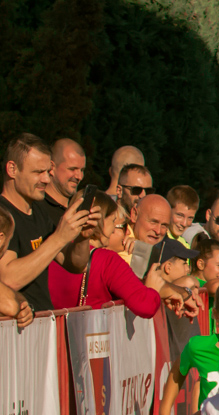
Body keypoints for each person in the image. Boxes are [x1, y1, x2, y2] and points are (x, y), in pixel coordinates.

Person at [48, 196, 190, 317]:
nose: (127, 233)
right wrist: (153, 290)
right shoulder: (108, 260)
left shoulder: (56, 251)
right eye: (121, 226)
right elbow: (145, 306)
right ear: (100, 223)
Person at [2, 134, 90, 312]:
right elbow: (8, 279)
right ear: (12, 169)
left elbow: (76, 265)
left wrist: (82, 236)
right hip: (16, 325)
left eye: (47, 172)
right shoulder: (3, 216)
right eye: (38, 172)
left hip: (42, 322)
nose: (46, 180)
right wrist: (58, 238)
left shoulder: (38, 210)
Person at [124, 194, 174, 279]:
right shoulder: (119, 244)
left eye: (164, 225)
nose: (158, 231)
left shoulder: (162, 252)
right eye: (153, 222)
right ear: (134, 215)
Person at [45, 138, 87, 219]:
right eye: (72, 169)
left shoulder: (78, 211)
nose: (79, 177)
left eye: (82, 170)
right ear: (52, 167)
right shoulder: (37, 209)